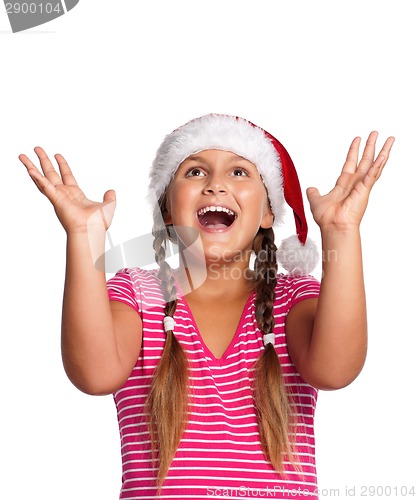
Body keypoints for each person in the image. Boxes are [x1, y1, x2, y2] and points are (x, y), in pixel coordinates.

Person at [19, 114, 394, 499]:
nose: (216, 185)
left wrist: (342, 231)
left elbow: (336, 371)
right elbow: (93, 375)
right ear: (167, 211)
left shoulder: (292, 299)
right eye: (196, 172)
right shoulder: (138, 295)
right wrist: (84, 235)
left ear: (268, 213)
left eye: (239, 173)